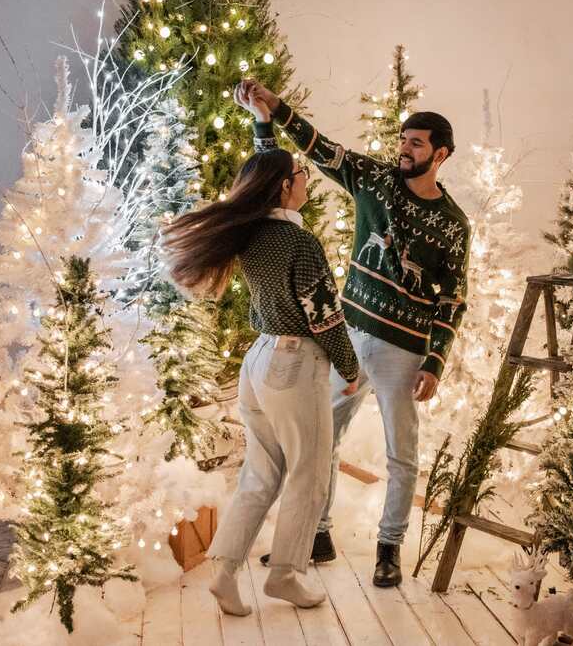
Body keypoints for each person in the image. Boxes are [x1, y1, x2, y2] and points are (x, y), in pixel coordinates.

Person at [237, 79, 471, 588]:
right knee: (324, 438)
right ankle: (316, 534)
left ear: (441, 154)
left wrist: (435, 360)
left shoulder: (454, 224)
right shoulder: (375, 180)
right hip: (345, 333)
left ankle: (389, 547)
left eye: (416, 143)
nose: (403, 149)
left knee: (400, 451)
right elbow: (319, 148)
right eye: (403, 139)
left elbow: (453, 296)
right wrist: (274, 111)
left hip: (404, 351)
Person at [162, 101, 360, 615]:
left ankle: (225, 571)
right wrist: (351, 368)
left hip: (259, 365)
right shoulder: (299, 242)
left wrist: (262, 123)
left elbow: (264, 166)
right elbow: (324, 316)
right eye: (301, 173)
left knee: (261, 473)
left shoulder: (251, 231)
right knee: (310, 475)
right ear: (284, 188)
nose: (306, 177)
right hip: (295, 365)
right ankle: (287, 574)